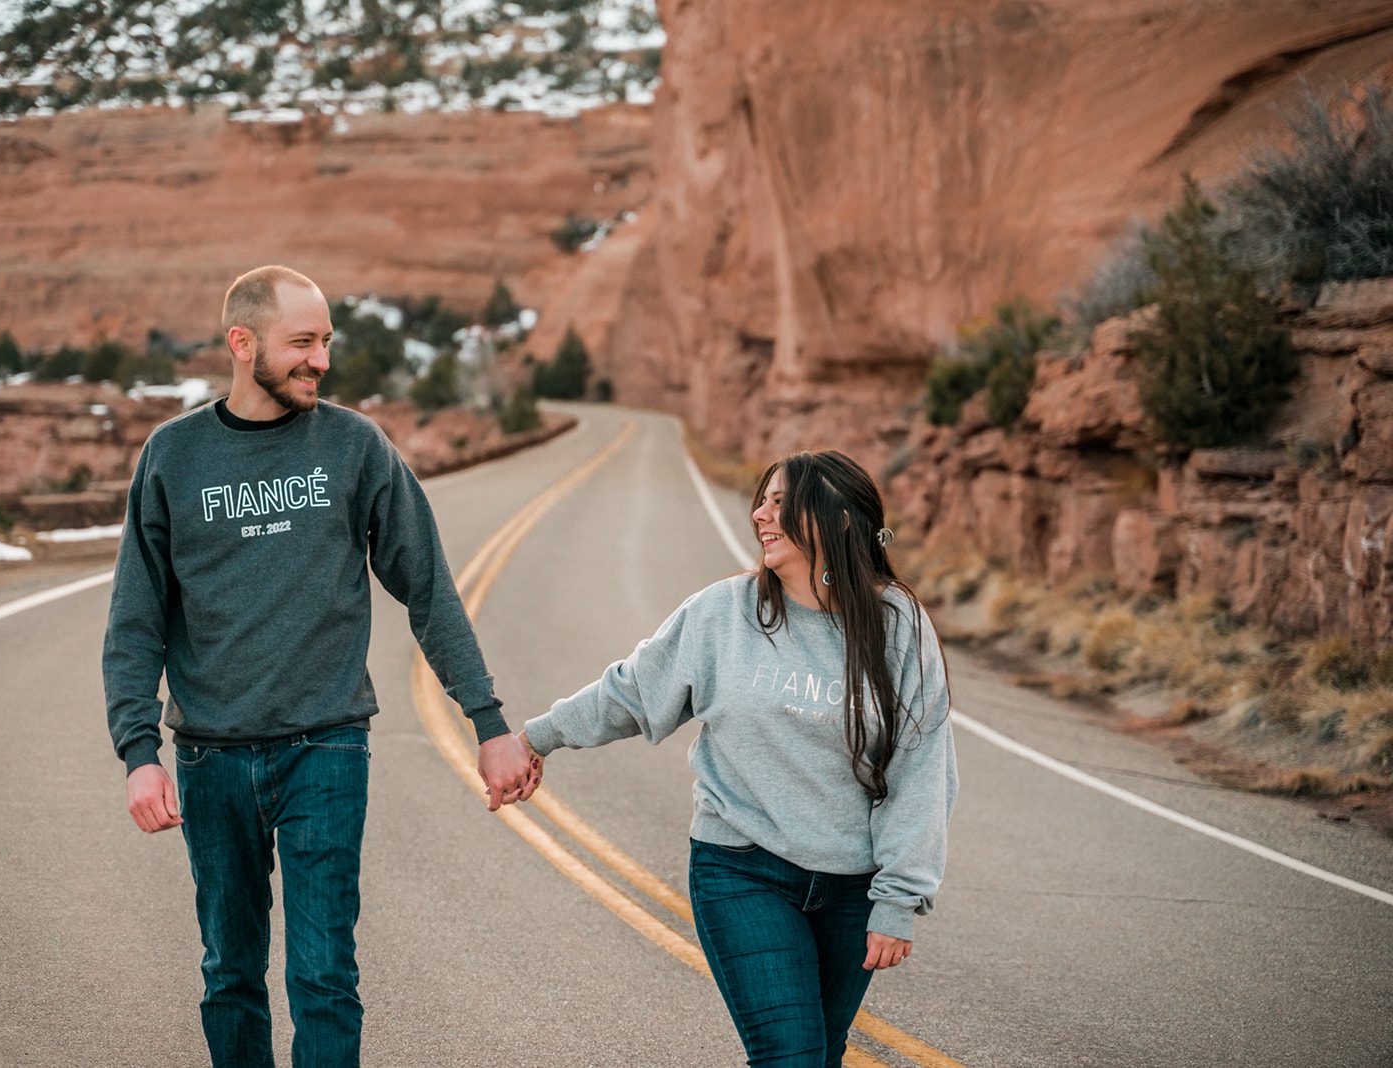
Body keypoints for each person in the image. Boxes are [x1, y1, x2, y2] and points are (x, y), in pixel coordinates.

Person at [102, 265, 537, 1067]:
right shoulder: (173, 457)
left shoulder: (354, 445)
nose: (321, 361)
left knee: (324, 973)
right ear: (243, 344)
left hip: (326, 750)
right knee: (229, 973)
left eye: (327, 342)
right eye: (302, 342)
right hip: (209, 755)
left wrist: (489, 722)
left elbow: (430, 590)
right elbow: (135, 622)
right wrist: (139, 754)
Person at [520, 450, 957, 1068]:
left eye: (781, 503)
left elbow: (921, 769)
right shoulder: (723, 613)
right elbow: (632, 692)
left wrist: (899, 899)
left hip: (852, 891)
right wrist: (535, 738)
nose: (760, 515)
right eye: (762, 500)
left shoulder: (899, 628)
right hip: (742, 869)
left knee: (819, 1057)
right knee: (790, 1057)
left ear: (834, 518)